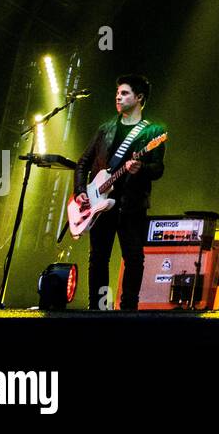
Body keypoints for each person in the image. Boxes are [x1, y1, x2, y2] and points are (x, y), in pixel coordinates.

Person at [74, 74, 166, 310]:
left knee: (134, 258)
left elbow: (158, 169)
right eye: (118, 92)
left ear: (139, 97)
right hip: (99, 205)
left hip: (131, 205)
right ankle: (97, 308)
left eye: (124, 93)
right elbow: (83, 163)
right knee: (98, 259)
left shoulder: (153, 132)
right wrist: (80, 192)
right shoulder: (105, 129)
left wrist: (140, 167)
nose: (118, 96)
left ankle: (128, 309)